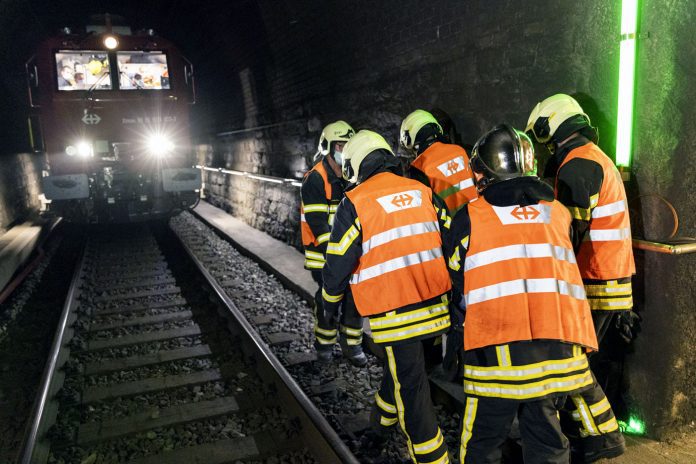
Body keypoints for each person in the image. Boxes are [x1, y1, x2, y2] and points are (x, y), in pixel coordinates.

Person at [447, 124, 600, 464]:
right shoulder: (559, 213)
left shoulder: (470, 217)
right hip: (555, 351)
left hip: (496, 356)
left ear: (483, 172)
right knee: (547, 438)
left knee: (482, 443)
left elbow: (456, 277)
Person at [322, 130, 452, 464]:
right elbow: (452, 244)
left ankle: (432, 459)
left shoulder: (356, 202)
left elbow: (337, 265)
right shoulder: (422, 191)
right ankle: (378, 432)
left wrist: (329, 307)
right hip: (436, 309)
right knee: (400, 374)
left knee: (412, 390)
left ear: (355, 165)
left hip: (396, 316)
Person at [527, 94, 635, 461]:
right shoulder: (590, 157)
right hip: (607, 278)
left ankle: (600, 438)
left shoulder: (577, 166)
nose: (544, 148)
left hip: (595, 281)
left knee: (570, 364)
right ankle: (591, 435)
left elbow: (567, 234)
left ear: (551, 127)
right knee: (576, 363)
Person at [400, 109, 478, 380]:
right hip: (484, 231)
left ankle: (456, 369)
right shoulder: (461, 152)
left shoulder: (418, 167)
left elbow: (425, 214)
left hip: (452, 240)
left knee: (458, 304)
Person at [300, 120, 366, 367]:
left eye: (348, 145)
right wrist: (337, 257)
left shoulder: (354, 175)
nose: (344, 149)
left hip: (350, 252)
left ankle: (352, 345)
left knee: (354, 299)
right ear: (328, 147)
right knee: (328, 300)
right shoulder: (315, 179)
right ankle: (325, 346)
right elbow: (318, 225)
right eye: (340, 145)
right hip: (323, 254)